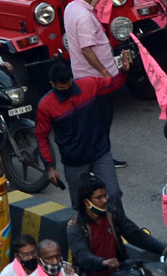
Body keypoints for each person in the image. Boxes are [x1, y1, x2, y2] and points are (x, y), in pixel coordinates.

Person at [37, 55, 129, 212]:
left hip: (100, 152)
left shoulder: (89, 84)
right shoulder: (45, 106)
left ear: (72, 78)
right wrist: (50, 167)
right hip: (74, 161)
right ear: (52, 84)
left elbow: (113, 84)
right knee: (80, 205)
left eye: (68, 85)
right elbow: (41, 136)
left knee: (113, 194)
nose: (66, 90)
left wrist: (124, 72)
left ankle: (119, 230)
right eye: (61, 88)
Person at [67, 176, 165, 276]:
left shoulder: (111, 213)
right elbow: (83, 256)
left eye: (105, 195)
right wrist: (103, 262)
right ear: (87, 202)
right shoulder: (75, 226)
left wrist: (162, 247)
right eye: (99, 198)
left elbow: (134, 234)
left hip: (119, 272)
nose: (104, 200)